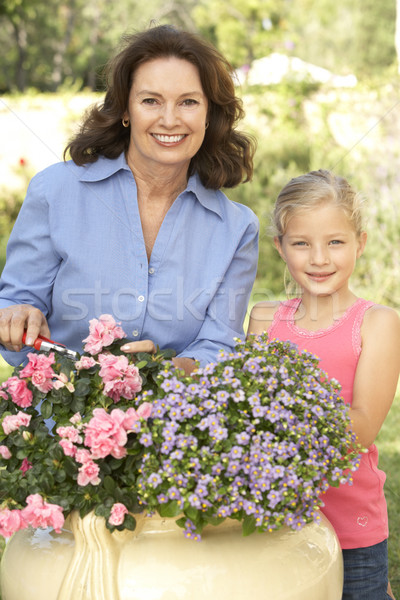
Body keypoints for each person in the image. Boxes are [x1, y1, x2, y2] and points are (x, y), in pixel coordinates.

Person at [0, 24, 259, 374]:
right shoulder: (55, 191)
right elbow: (18, 301)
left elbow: (220, 346)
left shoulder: (237, 229)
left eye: (188, 102)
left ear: (209, 114)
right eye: (150, 100)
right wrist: (17, 315)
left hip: (171, 422)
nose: (169, 120)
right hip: (57, 422)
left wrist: (165, 369)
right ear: (125, 110)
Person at [248, 169, 400, 600]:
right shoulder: (265, 319)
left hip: (353, 529)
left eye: (335, 242)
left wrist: (274, 417)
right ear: (280, 247)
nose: (319, 258)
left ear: (360, 243)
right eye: (301, 243)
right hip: (277, 522)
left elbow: (361, 428)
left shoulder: (378, 323)